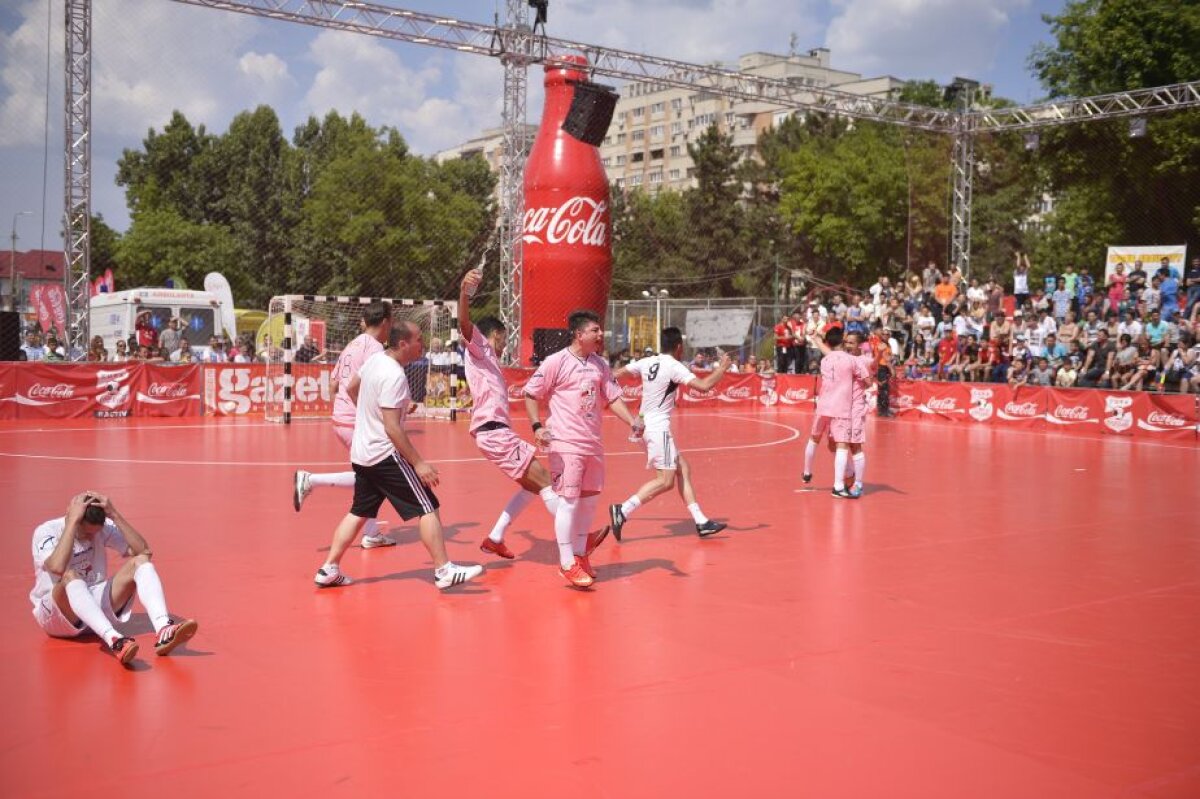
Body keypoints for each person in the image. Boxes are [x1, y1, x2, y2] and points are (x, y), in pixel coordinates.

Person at [313, 321, 483, 590]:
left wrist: (371, 414)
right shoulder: (394, 375)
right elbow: (392, 428)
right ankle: (443, 570)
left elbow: (352, 388)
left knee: (359, 511)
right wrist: (419, 463)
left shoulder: (375, 360)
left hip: (362, 452)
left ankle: (328, 569)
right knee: (427, 506)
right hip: (383, 454)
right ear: (403, 343)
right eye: (418, 340)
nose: (422, 345)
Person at [456, 269, 579, 560]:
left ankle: (496, 537)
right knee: (546, 482)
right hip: (493, 432)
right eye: (502, 338)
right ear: (494, 335)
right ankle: (575, 543)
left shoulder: (489, 361)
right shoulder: (480, 348)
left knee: (531, 487)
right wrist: (464, 292)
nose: (504, 343)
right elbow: (463, 323)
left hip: (497, 432)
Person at [523, 310, 643, 588]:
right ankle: (566, 563)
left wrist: (632, 421)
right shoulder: (556, 362)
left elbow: (612, 397)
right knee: (569, 502)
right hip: (566, 442)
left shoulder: (600, 364)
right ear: (579, 334)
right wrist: (537, 427)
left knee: (589, 502)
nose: (601, 335)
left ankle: (580, 555)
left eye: (600, 330)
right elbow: (530, 394)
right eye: (595, 330)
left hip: (592, 443)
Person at [30, 492, 198, 667]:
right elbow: (56, 567)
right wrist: (71, 523)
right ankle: (114, 639)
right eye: (86, 533)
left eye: (95, 533)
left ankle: (164, 628)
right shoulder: (46, 531)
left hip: (93, 609)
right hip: (58, 616)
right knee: (69, 574)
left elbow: (143, 550)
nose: (91, 538)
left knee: (140, 562)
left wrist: (115, 515)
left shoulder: (101, 529)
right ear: (71, 516)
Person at [608, 327, 731, 542]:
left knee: (683, 468)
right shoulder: (673, 366)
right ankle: (623, 510)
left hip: (645, 426)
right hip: (657, 428)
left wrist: (601, 382)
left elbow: (616, 374)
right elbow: (703, 386)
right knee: (665, 481)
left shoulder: (648, 361)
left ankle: (701, 521)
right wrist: (722, 369)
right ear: (679, 347)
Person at [294, 302, 395, 550]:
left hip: (342, 417)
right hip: (355, 420)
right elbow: (363, 387)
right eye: (391, 322)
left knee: (372, 476)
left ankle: (371, 533)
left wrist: (338, 411)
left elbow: (333, 384)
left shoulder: (352, 344)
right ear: (385, 322)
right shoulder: (375, 350)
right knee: (376, 474)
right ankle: (310, 480)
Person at [801, 326, 871, 497]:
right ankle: (839, 486)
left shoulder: (825, 360)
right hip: (842, 407)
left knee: (815, 438)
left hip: (823, 404)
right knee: (842, 445)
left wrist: (815, 338)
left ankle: (806, 472)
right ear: (843, 339)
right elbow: (868, 381)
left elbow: (828, 351)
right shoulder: (852, 360)